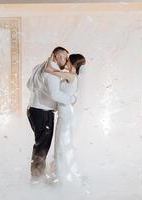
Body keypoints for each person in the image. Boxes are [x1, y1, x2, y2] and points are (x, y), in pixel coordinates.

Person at [26, 47, 77, 181]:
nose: (66, 60)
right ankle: (37, 178)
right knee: (42, 145)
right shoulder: (53, 73)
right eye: (64, 57)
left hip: (32, 110)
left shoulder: (39, 66)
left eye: (67, 58)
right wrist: (71, 100)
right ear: (55, 56)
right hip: (43, 113)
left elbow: (28, 85)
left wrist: (42, 95)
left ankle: (37, 175)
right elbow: (55, 94)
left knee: (39, 143)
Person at [45, 54, 86, 185]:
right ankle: (59, 174)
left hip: (66, 114)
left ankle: (62, 177)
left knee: (61, 145)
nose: (65, 62)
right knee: (60, 144)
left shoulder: (71, 76)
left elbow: (51, 71)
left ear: (73, 64)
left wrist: (51, 60)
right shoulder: (71, 76)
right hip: (64, 112)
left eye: (67, 60)